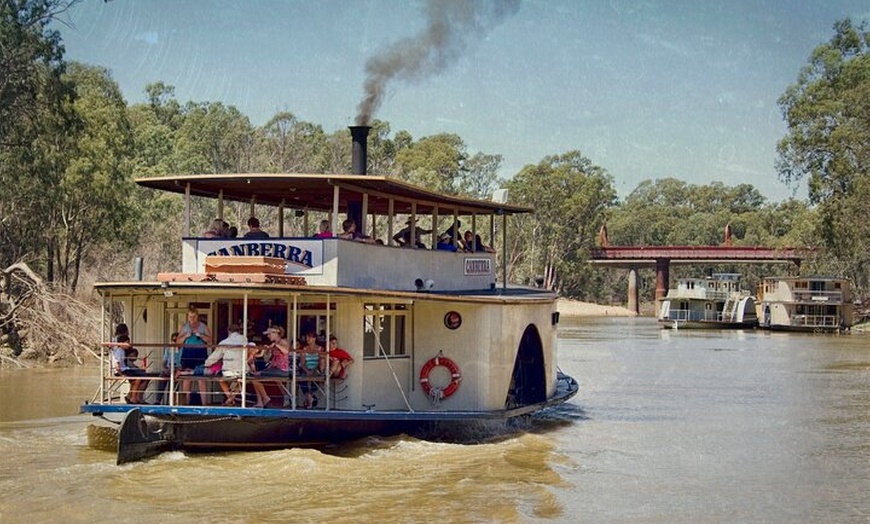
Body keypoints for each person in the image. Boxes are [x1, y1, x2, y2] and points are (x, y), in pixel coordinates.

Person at [203, 323, 249, 405]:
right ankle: (231, 399)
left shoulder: (224, 342)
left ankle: (230, 398)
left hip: (229, 371)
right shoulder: (244, 339)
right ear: (239, 331)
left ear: (228, 331)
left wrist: (206, 363)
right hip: (243, 370)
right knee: (241, 381)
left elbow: (215, 356)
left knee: (221, 380)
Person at [176, 307, 213, 405]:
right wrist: (185, 336)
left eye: (194, 317)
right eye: (190, 317)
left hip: (200, 352)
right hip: (188, 353)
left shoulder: (203, 326)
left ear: (197, 317)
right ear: (188, 317)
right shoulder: (185, 327)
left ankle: (204, 404)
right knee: (187, 379)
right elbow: (178, 342)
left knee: (201, 378)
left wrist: (201, 335)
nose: (192, 319)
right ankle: (185, 405)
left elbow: (210, 340)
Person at [110, 334, 149, 404]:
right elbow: (117, 365)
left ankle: (132, 397)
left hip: (125, 369)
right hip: (123, 370)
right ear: (121, 343)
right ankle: (134, 398)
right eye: (127, 342)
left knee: (140, 378)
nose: (129, 344)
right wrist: (122, 374)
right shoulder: (119, 352)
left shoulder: (122, 351)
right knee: (138, 378)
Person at [297, 330, 325, 408]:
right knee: (301, 379)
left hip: (316, 369)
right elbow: (302, 363)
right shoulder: (304, 349)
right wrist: (307, 370)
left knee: (316, 380)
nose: (307, 339)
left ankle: (309, 399)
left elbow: (320, 361)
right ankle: (310, 398)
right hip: (306, 368)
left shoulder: (320, 349)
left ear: (314, 338)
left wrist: (313, 370)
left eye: (309, 337)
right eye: (307, 337)